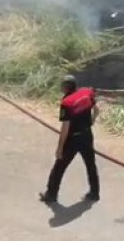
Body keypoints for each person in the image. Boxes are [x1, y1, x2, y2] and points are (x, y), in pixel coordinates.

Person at [40, 75, 99, 205]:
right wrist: (91, 122)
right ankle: (94, 193)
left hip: (72, 139)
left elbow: (65, 128)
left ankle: (51, 194)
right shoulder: (86, 93)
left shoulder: (67, 103)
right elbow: (97, 110)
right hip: (87, 135)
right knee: (90, 165)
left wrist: (60, 148)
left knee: (59, 167)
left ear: (65, 87)